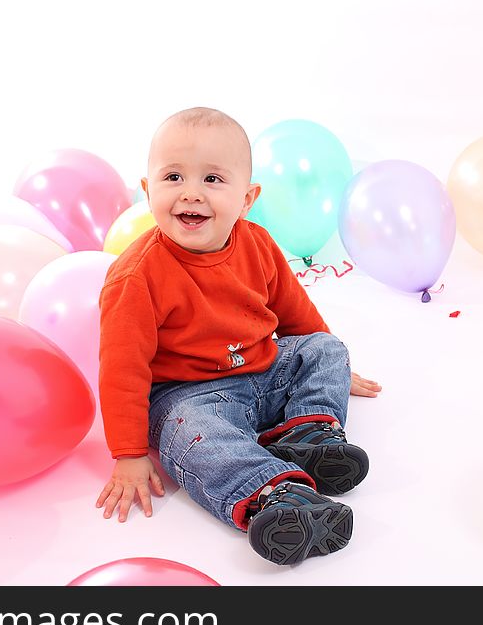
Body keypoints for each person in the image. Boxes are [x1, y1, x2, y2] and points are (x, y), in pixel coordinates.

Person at [96, 107, 382, 565]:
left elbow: (295, 314)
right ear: (147, 192)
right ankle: (280, 496)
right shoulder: (136, 278)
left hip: (264, 369)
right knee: (192, 434)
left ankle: (309, 433)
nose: (191, 193)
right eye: (173, 177)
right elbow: (122, 370)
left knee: (326, 348)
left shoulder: (258, 243)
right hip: (190, 396)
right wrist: (129, 453)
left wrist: (330, 372)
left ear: (247, 198)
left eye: (212, 179)